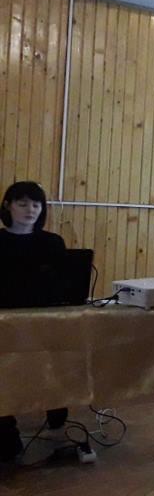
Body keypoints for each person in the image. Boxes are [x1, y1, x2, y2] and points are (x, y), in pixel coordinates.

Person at [0, 181, 70, 462]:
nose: (30, 210)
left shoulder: (52, 243)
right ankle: (6, 431)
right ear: (8, 206)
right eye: (23, 204)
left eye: (36, 205)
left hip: (46, 321)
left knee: (59, 360)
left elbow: (65, 285)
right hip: (5, 325)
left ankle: (57, 418)